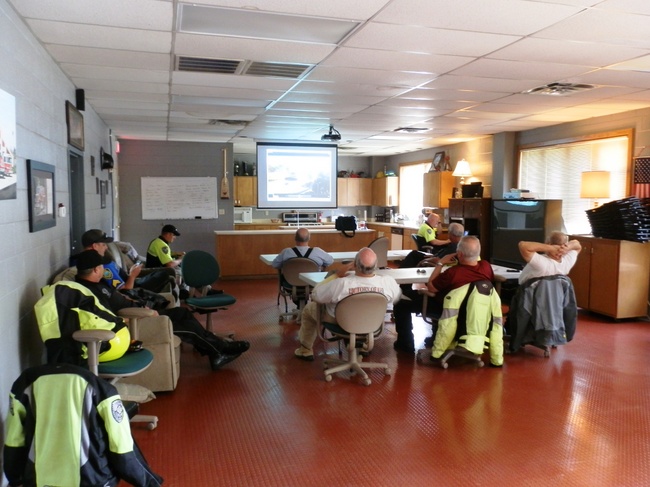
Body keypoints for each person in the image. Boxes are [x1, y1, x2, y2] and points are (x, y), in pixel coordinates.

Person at [74, 250, 249, 371]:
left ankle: (215, 351)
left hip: (138, 310)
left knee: (182, 313)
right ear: (96, 269)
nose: (104, 270)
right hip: (135, 321)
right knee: (185, 328)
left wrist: (139, 303)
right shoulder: (88, 291)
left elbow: (120, 297)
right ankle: (220, 349)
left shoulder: (96, 283)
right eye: (101, 267)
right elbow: (108, 315)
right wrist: (145, 313)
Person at [4, 363, 164, 487]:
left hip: (38, 480)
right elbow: (122, 447)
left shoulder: (24, 383)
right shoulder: (102, 389)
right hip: (93, 480)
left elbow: (14, 440)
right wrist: (149, 482)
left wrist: (15, 479)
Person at [294, 247, 402, 361]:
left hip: (340, 321)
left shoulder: (341, 283)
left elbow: (316, 295)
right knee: (365, 312)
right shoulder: (388, 282)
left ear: (354, 264)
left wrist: (336, 275)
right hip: (372, 322)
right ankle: (363, 345)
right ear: (376, 266)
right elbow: (396, 297)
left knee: (309, 309)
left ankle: (305, 349)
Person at [392, 236, 494, 353]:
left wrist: (440, 263)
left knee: (401, 302)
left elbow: (431, 286)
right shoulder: (486, 267)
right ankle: (435, 337)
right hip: (474, 311)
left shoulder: (453, 273)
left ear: (459, 254)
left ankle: (405, 343)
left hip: (448, 310)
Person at [80, 229, 177, 296]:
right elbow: (125, 291)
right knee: (165, 275)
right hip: (133, 288)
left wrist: (131, 273)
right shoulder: (100, 267)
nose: (106, 247)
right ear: (95, 246)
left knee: (167, 275)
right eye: (103, 245)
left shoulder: (103, 258)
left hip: (131, 280)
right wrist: (132, 275)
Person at [398, 222, 465, 299]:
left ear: (450, 234)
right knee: (415, 254)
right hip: (435, 260)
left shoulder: (454, 246)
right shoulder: (460, 244)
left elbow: (438, 260)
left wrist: (424, 261)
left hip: (436, 264)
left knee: (413, 256)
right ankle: (404, 284)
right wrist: (431, 256)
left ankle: (404, 287)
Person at [518, 231, 582, 284]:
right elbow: (577, 245)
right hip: (556, 295)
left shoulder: (542, 264)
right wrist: (567, 247)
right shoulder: (567, 262)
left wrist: (550, 248)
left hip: (529, 294)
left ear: (548, 244)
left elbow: (522, 245)